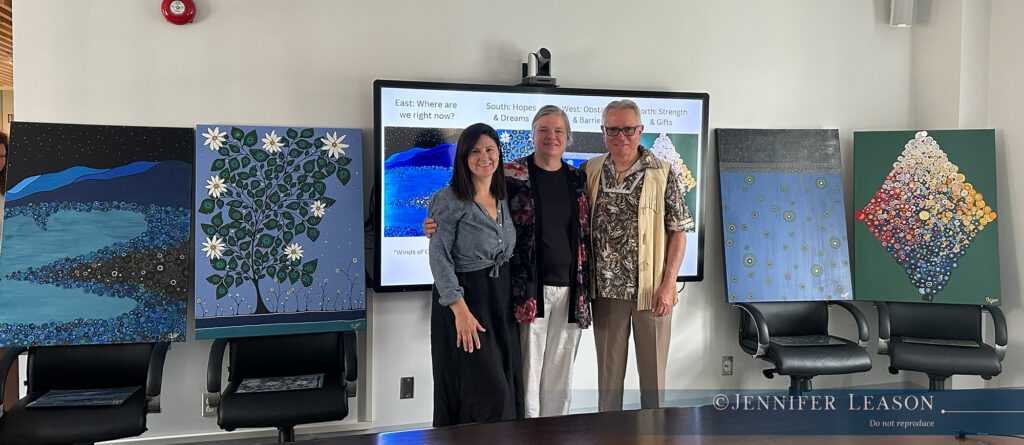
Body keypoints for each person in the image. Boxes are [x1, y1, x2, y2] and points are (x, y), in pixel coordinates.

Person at [426, 105, 592, 417]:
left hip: (528, 295)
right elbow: (441, 250)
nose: (551, 136)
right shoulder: (513, 176)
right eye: (543, 130)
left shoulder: (573, 179)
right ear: (532, 135)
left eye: (558, 130)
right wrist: (433, 225)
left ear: (568, 137)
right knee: (503, 386)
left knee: (525, 379)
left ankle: (548, 435)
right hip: (511, 293)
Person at [580, 99, 693, 411]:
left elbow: (679, 231)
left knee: (653, 382)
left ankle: (654, 432)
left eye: (628, 129)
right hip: (606, 293)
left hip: (652, 294)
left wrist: (668, 285)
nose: (621, 136)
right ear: (603, 131)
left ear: (640, 130)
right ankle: (608, 433)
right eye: (613, 129)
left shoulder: (663, 172)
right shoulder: (590, 170)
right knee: (608, 384)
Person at [427, 123, 522, 426]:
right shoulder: (448, 199)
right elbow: (439, 257)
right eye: (475, 151)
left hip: (500, 301)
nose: (484, 157)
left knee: (507, 386)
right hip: (466, 302)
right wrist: (460, 310)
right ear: (463, 157)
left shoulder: (505, 196)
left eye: (490, 149)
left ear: (499, 153)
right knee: (486, 393)